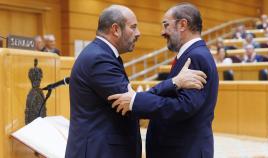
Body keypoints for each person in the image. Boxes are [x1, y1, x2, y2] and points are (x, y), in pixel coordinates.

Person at [65, 4, 207, 158]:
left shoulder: (102, 54)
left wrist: (138, 99)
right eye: (133, 27)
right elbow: (130, 102)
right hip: (99, 151)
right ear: (115, 29)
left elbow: (133, 100)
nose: (138, 33)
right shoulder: (99, 58)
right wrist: (174, 82)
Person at [108, 3, 219, 158]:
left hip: (185, 151)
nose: (162, 32)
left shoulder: (196, 57)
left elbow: (184, 107)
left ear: (183, 24)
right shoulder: (191, 54)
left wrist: (137, 102)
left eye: (166, 25)